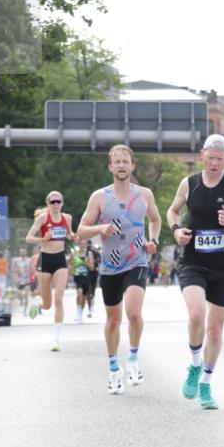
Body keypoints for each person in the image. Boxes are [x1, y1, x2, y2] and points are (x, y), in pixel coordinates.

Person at [167, 133, 224, 410]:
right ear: (202, 156)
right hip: (193, 261)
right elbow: (172, 211)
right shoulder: (190, 183)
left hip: (222, 265)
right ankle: (195, 365)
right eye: (211, 158)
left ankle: (206, 384)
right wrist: (176, 231)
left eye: (220, 159)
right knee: (196, 314)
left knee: (215, 331)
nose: (215, 163)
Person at [78, 145, 162, 392]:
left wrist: (153, 241)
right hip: (110, 267)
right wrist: (99, 229)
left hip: (137, 261)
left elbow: (155, 219)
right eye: (117, 162)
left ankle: (134, 359)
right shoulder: (100, 197)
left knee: (134, 313)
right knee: (113, 320)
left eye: (126, 161)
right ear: (110, 167)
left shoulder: (144, 194)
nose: (122, 166)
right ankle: (114, 368)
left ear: (133, 165)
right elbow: (81, 230)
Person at [25, 190, 76, 350]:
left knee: (58, 299)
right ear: (48, 204)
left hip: (60, 259)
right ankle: (38, 306)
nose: (56, 204)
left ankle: (56, 340)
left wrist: (73, 236)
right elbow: (28, 238)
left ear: (62, 203)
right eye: (52, 202)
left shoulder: (67, 218)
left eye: (58, 201)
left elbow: (68, 234)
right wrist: (43, 239)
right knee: (48, 304)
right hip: (45, 261)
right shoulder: (42, 218)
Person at [69, 240, 90, 323]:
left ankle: (81, 314)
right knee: (79, 294)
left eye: (84, 244)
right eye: (81, 244)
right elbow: (70, 262)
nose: (83, 245)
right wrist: (71, 269)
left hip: (86, 277)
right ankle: (78, 313)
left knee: (84, 297)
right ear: (79, 245)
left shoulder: (88, 255)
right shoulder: (74, 254)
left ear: (86, 245)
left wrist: (87, 261)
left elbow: (91, 267)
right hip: (78, 276)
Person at [12, 247, 32, 315]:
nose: (23, 253)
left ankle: (25, 311)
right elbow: (13, 269)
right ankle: (21, 300)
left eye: (24, 252)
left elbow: (32, 269)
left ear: (26, 252)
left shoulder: (29, 260)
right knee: (19, 294)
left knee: (26, 296)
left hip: (27, 280)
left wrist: (29, 271)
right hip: (19, 280)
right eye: (21, 252)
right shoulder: (16, 260)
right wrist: (17, 273)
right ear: (19, 253)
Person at [85, 242, 100, 317]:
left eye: (89, 245)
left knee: (92, 291)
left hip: (94, 273)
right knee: (88, 291)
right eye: (88, 245)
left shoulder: (96, 253)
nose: (89, 247)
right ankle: (89, 308)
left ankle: (92, 301)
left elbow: (100, 261)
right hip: (87, 273)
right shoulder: (85, 252)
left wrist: (98, 267)